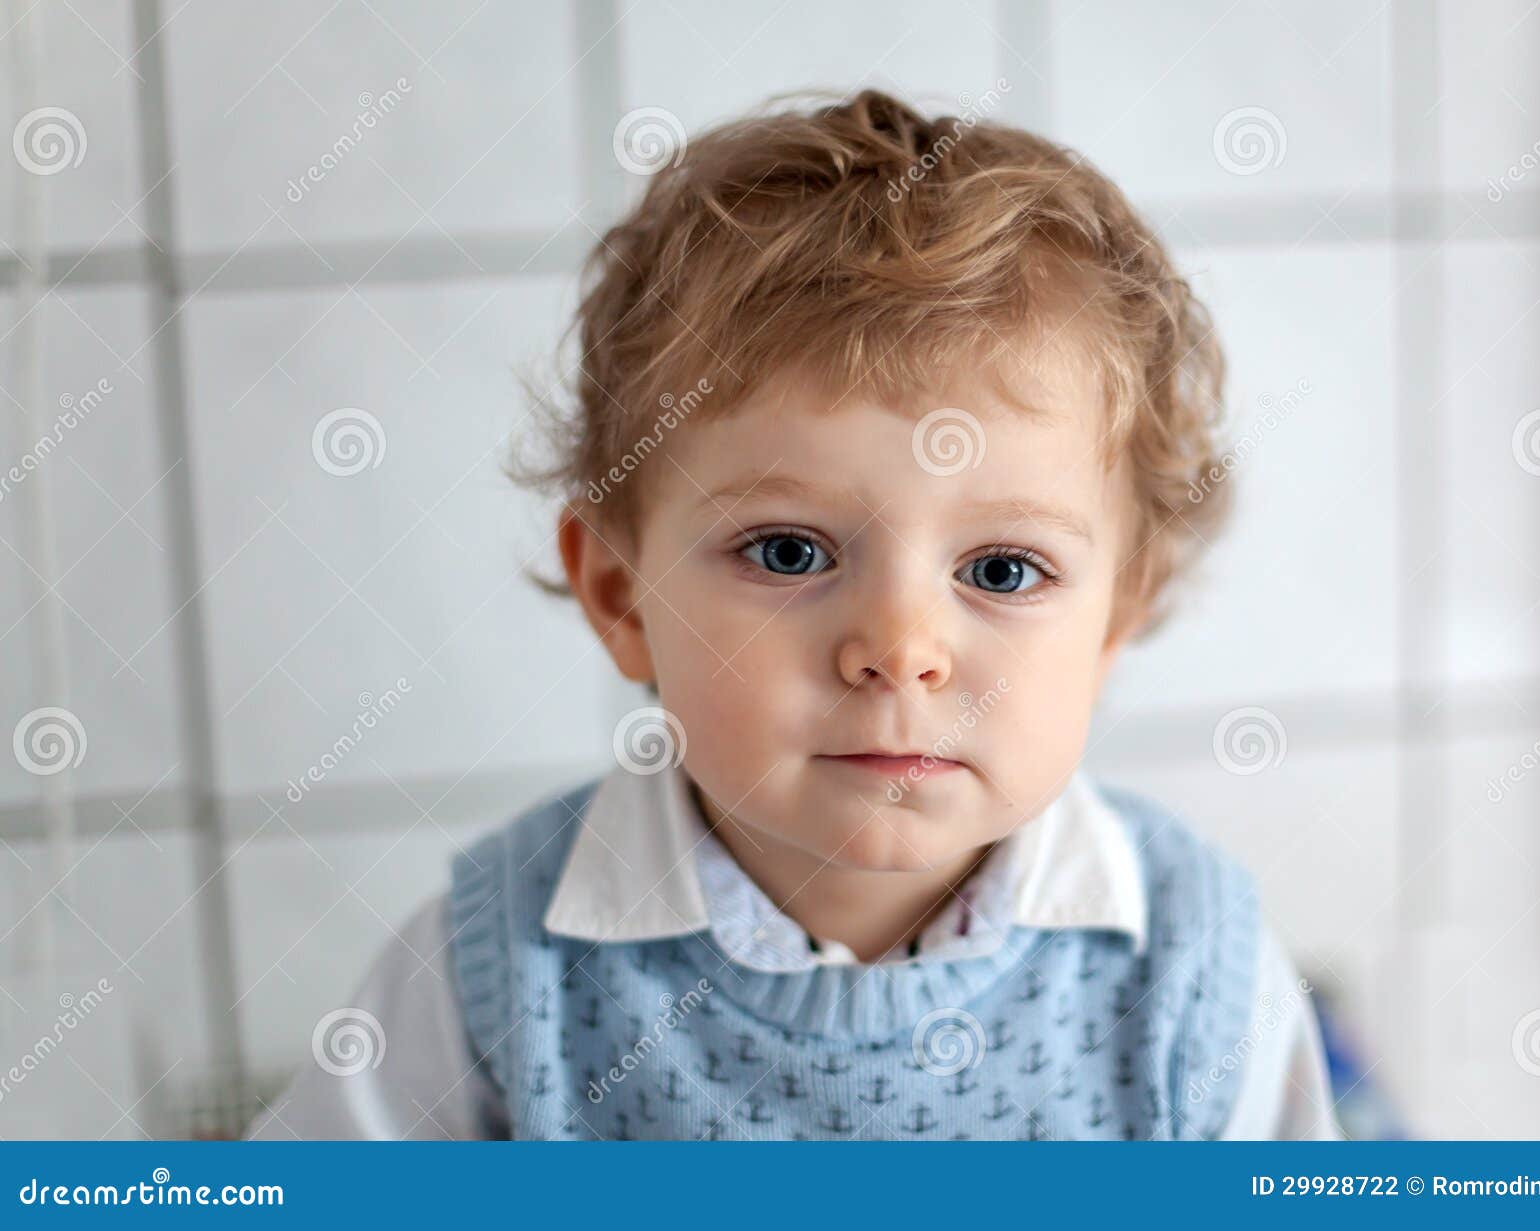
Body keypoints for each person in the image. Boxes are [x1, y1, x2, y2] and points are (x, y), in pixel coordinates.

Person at [250, 88, 1341, 1142]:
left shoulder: (1199, 974)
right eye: (787, 551)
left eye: (1003, 571)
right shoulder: (491, 975)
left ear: (1113, 622)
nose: (901, 651)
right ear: (621, 594)